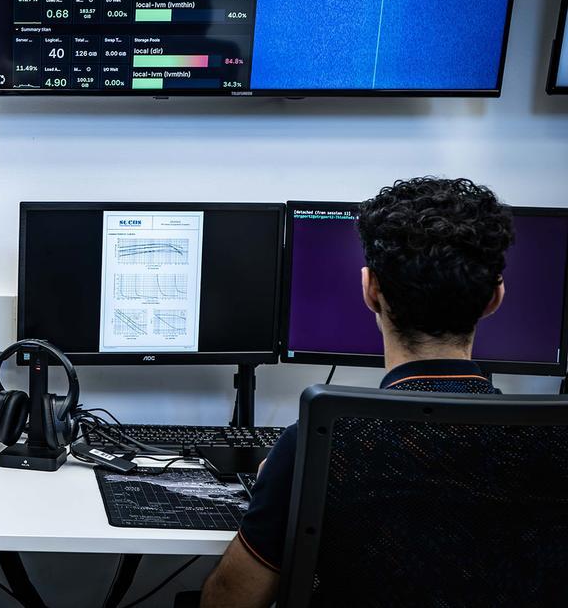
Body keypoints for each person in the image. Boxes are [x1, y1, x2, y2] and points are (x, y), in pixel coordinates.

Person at [201, 177, 514, 608]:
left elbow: (229, 601)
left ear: (370, 290)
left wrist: (279, 480)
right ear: (495, 297)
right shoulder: (551, 443)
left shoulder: (320, 444)